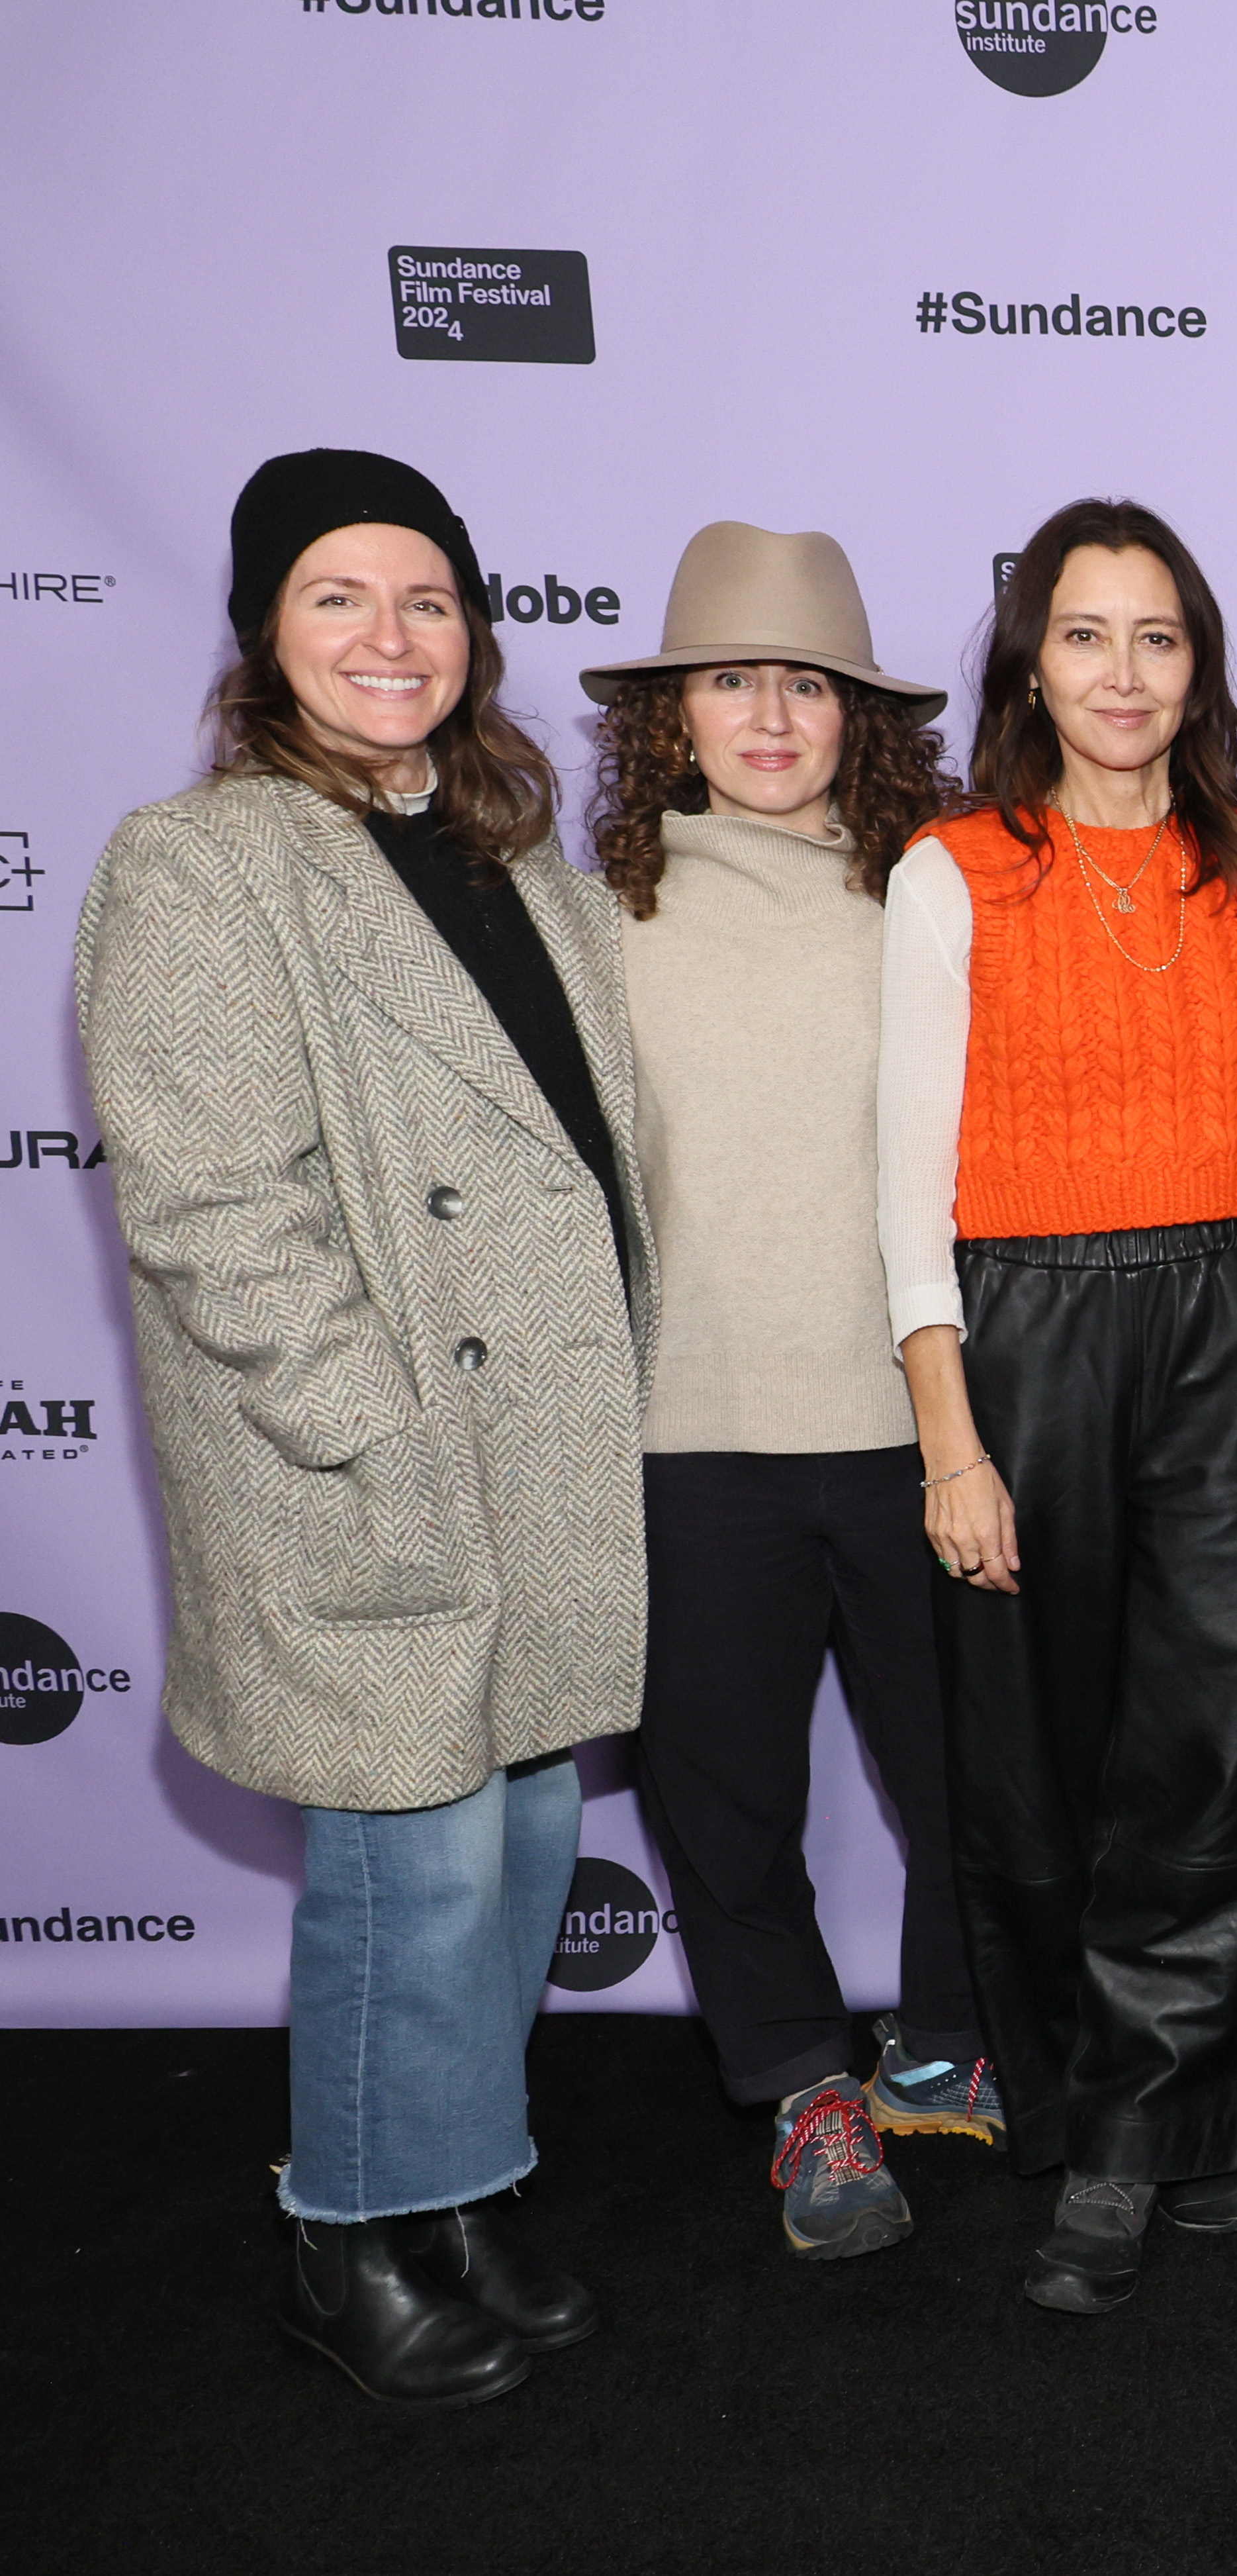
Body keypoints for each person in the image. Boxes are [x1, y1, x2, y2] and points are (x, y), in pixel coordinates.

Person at [79, 450, 651, 2407]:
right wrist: (374, 1436)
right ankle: (346, 2226)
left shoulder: (521, 863)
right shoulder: (203, 859)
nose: (389, 637)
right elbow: (211, 1205)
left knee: (513, 1848)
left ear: (477, 632)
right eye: (339, 597)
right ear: (264, 633)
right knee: (404, 1881)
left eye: (425, 599)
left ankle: (459, 2184)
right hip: (370, 1466)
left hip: (547, 1454)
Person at [876, 499, 1237, 2315]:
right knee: (1042, 1758)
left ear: (1195, 663)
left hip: (1227, 1304)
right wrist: (950, 1436)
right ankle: (1089, 2098)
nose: (1123, 671)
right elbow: (906, 1184)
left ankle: (1174, 2129)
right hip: (1025, 1323)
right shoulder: (950, 868)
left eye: (1157, 635)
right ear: (1027, 661)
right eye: (1085, 633)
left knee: (1215, 1748)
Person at [582, 522, 995, 2263]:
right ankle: (807, 2087)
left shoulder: (936, 885)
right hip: (689, 1437)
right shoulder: (589, 903)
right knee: (725, 1798)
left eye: (804, 682)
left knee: (978, 1777)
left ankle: (952, 2034)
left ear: (856, 714)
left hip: (920, 1427)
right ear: (672, 711)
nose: (769, 713)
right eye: (732, 678)